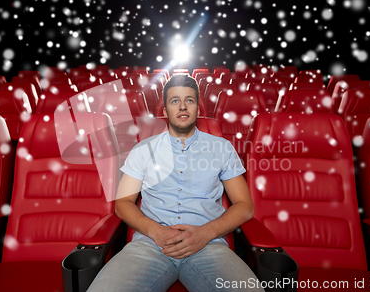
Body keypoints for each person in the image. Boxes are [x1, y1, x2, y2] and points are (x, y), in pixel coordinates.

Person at [88, 74, 262, 292]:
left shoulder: (222, 148)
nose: (182, 107)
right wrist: (156, 232)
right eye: (174, 101)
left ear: (198, 109)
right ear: (164, 112)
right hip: (150, 245)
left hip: (207, 245)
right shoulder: (143, 149)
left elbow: (245, 206)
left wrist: (205, 233)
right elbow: (122, 203)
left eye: (189, 100)